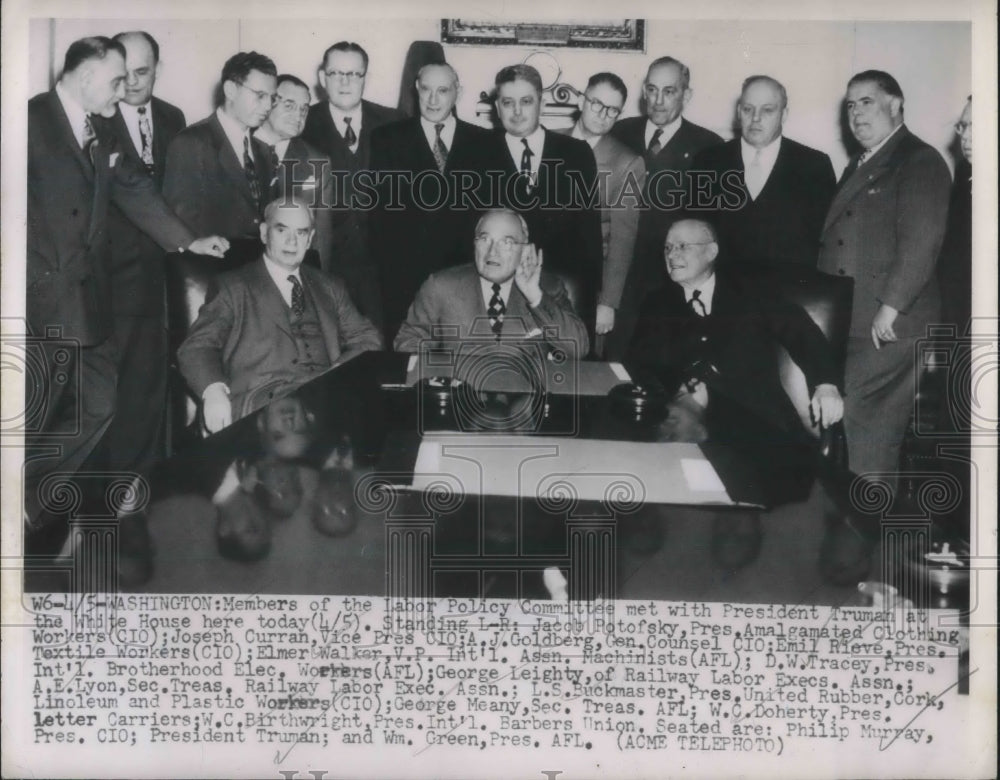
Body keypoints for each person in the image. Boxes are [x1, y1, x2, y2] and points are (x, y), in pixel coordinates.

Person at [25, 36, 226, 542]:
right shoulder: (27, 120)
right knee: (37, 412)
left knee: (99, 403)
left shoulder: (106, 124)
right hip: (39, 296)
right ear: (88, 75)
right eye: (118, 79)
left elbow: (135, 188)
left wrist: (187, 241)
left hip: (90, 299)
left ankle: (25, 503)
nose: (126, 90)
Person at [817, 71, 950, 482]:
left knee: (869, 436)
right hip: (856, 320)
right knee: (855, 433)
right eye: (851, 105)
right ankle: (856, 529)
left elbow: (921, 242)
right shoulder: (865, 162)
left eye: (867, 102)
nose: (856, 113)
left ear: (895, 105)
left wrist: (890, 308)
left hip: (889, 326)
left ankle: (868, 534)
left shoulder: (919, 160)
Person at [177, 197, 383, 432]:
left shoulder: (330, 286)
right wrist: (213, 390)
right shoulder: (233, 287)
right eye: (282, 229)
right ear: (265, 233)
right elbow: (196, 347)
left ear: (310, 239)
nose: (292, 241)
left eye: (301, 233)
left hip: (325, 403)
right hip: (262, 407)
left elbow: (367, 339)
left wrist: (338, 370)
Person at [628, 218, 844, 438]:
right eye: (668, 247)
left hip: (760, 426)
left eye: (682, 246)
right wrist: (682, 391)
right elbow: (641, 364)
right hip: (687, 425)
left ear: (711, 252)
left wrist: (826, 383)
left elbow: (801, 330)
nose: (672, 255)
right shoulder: (656, 303)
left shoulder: (750, 290)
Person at [90, 31, 188, 481]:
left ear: (157, 69)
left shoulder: (173, 117)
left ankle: (150, 480)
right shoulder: (98, 117)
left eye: (142, 72)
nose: (131, 82)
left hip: (169, 270)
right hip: (116, 274)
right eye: (123, 72)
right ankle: (115, 485)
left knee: (157, 382)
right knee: (120, 385)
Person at [370, 62, 493, 342]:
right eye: (426, 89)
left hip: (464, 274)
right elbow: (380, 214)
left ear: (457, 93)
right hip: (404, 278)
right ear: (416, 89)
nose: (433, 99)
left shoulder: (484, 142)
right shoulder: (387, 139)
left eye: (443, 90)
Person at [610, 56, 723, 355]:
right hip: (618, 277)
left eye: (669, 91)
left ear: (686, 95)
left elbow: (710, 224)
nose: (658, 101)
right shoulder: (620, 133)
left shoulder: (709, 147)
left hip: (671, 281)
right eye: (652, 90)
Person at [485, 64, 603, 331]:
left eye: (526, 101)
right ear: (497, 107)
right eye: (508, 102)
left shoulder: (576, 153)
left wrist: (594, 298)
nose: (517, 112)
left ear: (543, 102)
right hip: (498, 292)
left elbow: (589, 231)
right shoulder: (477, 154)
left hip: (562, 292)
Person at [394, 209, 589, 359]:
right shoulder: (440, 286)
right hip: (460, 398)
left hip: (525, 403)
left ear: (525, 248)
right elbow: (409, 340)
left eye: (507, 242)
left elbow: (578, 348)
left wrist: (535, 297)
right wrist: (437, 378)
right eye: (484, 239)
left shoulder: (547, 287)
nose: (492, 252)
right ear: (474, 243)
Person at [301, 41, 403, 326]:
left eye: (354, 74)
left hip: (382, 268)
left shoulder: (393, 122)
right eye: (336, 74)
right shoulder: (302, 123)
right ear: (323, 78)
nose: (345, 82)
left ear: (365, 78)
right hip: (323, 266)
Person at [693, 75, 836, 268]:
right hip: (723, 291)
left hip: (789, 292)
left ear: (784, 114)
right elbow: (694, 234)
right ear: (738, 112)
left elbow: (824, 241)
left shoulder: (814, 166)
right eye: (748, 109)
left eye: (767, 110)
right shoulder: (708, 161)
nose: (756, 118)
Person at [555, 72, 646, 359]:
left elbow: (623, 239)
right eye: (596, 104)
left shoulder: (628, 162)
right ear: (581, 100)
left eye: (613, 110)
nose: (603, 114)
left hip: (589, 283)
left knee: (581, 364)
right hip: (542, 274)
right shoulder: (549, 141)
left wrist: (608, 303)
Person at [163, 51, 279, 255]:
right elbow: (181, 225)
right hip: (210, 272)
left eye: (272, 98)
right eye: (260, 96)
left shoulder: (263, 151)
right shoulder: (191, 143)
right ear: (230, 90)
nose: (268, 106)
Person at [254, 73, 336, 271]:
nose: (298, 115)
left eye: (304, 109)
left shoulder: (318, 162)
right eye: (289, 105)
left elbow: (321, 237)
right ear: (268, 103)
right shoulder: (237, 148)